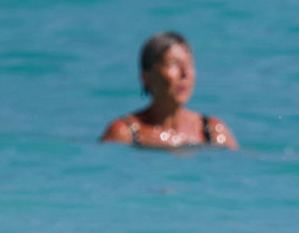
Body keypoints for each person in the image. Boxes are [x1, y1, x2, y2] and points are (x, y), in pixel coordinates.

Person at [99, 32, 237, 151]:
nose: (184, 74)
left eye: (189, 65)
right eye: (173, 64)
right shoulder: (125, 132)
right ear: (146, 77)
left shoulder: (211, 131)